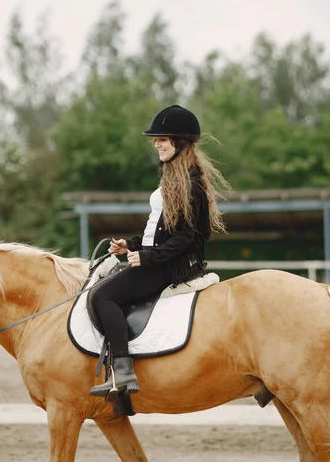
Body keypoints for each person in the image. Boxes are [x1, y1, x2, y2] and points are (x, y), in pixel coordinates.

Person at [89, 104, 230, 398]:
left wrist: (148, 257)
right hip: (158, 260)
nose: (156, 144)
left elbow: (186, 237)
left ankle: (123, 372)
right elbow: (159, 230)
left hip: (170, 267)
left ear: (179, 142)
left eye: (161, 139)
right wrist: (132, 244)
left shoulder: (191, 185)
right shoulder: (174, 179)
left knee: (104, 296)